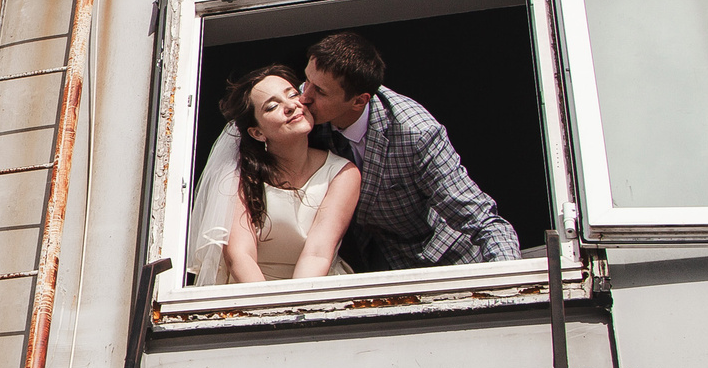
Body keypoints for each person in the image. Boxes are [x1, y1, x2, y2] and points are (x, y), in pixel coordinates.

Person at [298, 30, 520, 269]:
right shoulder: (305, 112)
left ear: (359, 101)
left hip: (448, 260)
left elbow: (482, 220)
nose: (304, 97)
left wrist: (511, 282)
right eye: (307, 81)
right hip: (380, 263)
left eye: (319, 91)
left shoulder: (416, 133)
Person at [186, 63, 362, 285]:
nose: (290, 106)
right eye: (271, 106)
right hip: (252, 292)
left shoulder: (343, 173)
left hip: (315, 289)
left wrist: (295, 310)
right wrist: (268, 311)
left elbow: (318, 253)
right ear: (257, 132)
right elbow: (240, 257)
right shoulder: (238, 176)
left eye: (293, 95)